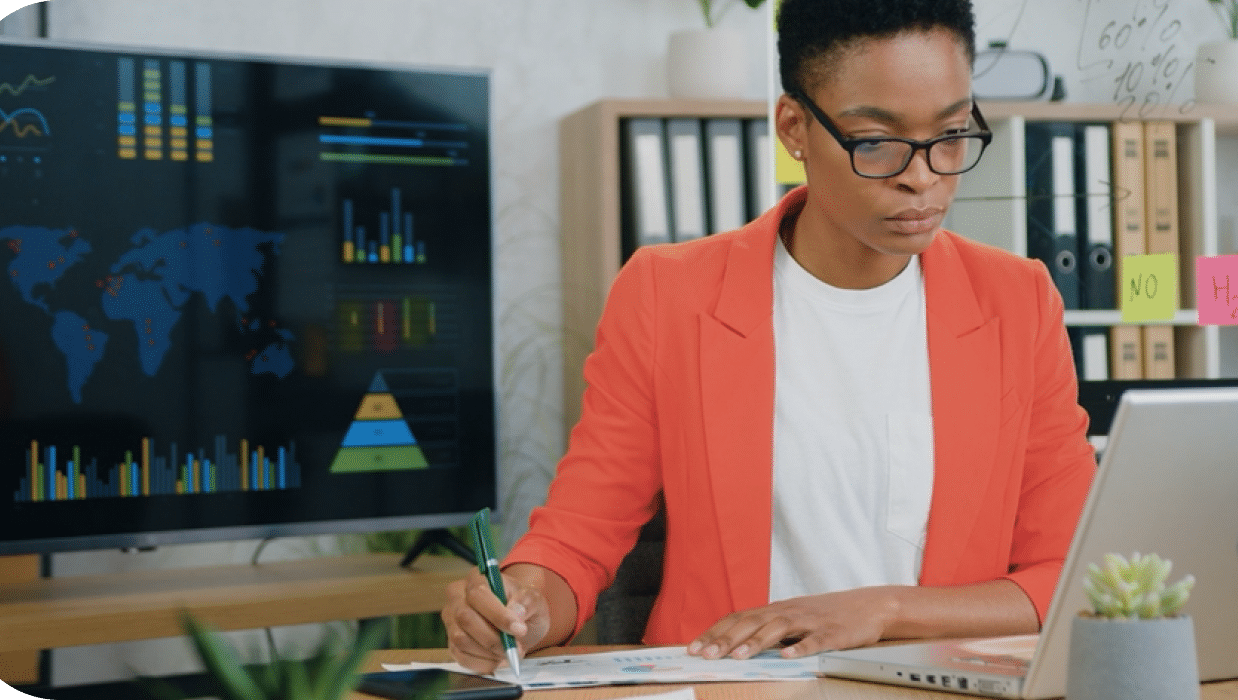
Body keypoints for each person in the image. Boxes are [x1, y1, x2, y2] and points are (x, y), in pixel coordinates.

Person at [442, 0, 1095, 673]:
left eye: (952, 134)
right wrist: (526, 608)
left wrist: (883, 610)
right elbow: (579, 535)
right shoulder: (669, 294)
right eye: (875, 141)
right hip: (723, 684)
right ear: (794, 127)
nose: (924, 176)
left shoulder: (1017, 303)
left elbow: (1073, 571)